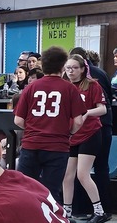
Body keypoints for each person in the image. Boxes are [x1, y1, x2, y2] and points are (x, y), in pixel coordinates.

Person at [13, 46, 86, 205]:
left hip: (31, 145)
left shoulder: (31, 87)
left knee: (25, 189)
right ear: (62, 67)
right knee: (51, 191)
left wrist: (34, 129)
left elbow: (18, 120)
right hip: (57, 147)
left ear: (42, 65)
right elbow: (79, 121)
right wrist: (68, 133)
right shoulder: (70, 89)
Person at [61, 54, 110, 223]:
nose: (71, 71)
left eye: (74, 67)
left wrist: (87, 113)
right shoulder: (64, 87)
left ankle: (99, 211)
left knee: (83, 174)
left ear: (83, 69)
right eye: (68, 68)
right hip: (72, 135)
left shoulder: (92, 85)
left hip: (90, 133)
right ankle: (66, 212)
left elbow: (102, 109)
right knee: (67, 175)